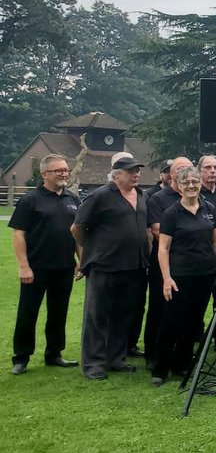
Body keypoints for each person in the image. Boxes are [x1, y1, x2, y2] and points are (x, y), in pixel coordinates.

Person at [70, 155, 150, 380]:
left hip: (134, 266)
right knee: (97, 316)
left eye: (137, 171)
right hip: (104, 266)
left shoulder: (142, 195)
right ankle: (94, 363)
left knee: (123, 314)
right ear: (116, 175)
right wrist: (95, 249)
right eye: (131, 171)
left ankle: (116, 358)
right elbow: (77, 228)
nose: (136, 175)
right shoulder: (100, 196)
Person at [10, 154, 80, 375]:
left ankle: (54, 353)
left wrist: (82, 260)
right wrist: (24, 266)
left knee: (58, 313)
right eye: (58, 170)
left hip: (64, 267)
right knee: (28, 312)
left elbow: (78, 234)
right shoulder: (30, 200)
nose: (64, 174)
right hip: (36, 267)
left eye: (66, 170)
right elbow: (19, 234)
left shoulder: (73, 199)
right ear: (44, 174)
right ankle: (21, 357)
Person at [152, 166, 216, 386]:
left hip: (205, 274)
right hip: (180, 275)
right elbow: (163, 249)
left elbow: (214, 241)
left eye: (194, 181)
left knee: (194, 322)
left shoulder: (209, 208)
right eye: (186, 182)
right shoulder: (171, 213)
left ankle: (181, 365)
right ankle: (161, 369)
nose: (191, 186)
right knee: (172, 321)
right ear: (179, 186)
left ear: (200, 184)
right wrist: (167, 278)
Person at [143, 156, 194, 366]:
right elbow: (156, 230)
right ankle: (153, 354)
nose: (185, 175)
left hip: (189, 264)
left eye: (189, 171)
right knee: (160, 309)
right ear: (171, 174)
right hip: (164, 263)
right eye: (180, 170)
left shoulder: (198, 199)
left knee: (186, 311)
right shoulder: (158, 199)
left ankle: (181, 354)